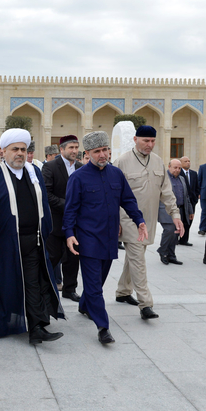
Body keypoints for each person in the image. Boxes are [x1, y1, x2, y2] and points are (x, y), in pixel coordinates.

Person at [0, 129, 64, 343]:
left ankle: (37, 326)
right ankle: (5, 322)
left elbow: (44, 205)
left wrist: (45, 231)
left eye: (23, 149)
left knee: (33, 282)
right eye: (15, 149)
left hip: (33, 240)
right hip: (2, 244)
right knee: (7, 285)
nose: (20, 153)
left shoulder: (34, 172)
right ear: (4, 152)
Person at [64, 131, 146, 344]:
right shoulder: (78, 178)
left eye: (105, 150)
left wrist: (140, 221)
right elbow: (70, 210)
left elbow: (128, 200)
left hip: (110, 239)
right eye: (97, 151)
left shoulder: (116, 174)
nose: (102, 155)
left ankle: (84, 305)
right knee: (93, 285)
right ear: (88, 153)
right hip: (88, 239)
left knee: (97, 282)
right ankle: (103, 327)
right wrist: (69, 234)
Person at [113, 125, 183, 320]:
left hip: (149, 222)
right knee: (138, 260)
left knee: (135, 258)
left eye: (152, 141)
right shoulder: (122, 162)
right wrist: (115, 220)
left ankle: (123, 291)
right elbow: (112, 196)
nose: (150, 145)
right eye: (146, 141)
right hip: (128, 221)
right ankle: (146, 304)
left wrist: (175, 216)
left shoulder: (159, 162)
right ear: (135, 139)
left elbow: (166, 192)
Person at [42, 134, 82, 303]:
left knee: (73, 258)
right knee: (53, 257)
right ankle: (44, 289)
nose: (74, 151)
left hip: (76, 224)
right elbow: (46, 193)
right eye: (71, 147)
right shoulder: (50, 167)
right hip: (56, 223)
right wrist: (69, 205)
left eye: (76, 147)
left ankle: (69, 289)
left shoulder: (81, 167)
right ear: (62, 149)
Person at [157, 159, 193, 265]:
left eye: (179, 168)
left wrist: (190, 210)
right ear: (169, 167)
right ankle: (163, 251)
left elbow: (186, 196)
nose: (177, 170)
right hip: (166, 209)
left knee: (176, 232)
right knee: (169, 230)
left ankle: (171, 255)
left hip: (179, 209)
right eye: (175, 167)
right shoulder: (164, 179)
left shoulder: (182, 179)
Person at [178, 156, 199, 246]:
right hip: (182, 201)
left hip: (192, 201)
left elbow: (197, 186)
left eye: (189, 161)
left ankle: (184, 239)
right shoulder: (178, 173)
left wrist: (195, 198)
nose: (188, 163)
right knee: (181, 220)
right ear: (181, 163)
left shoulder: (194, 173)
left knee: (189, 221)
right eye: (185, 161)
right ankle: (177, 238)